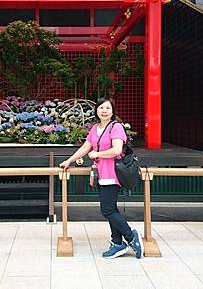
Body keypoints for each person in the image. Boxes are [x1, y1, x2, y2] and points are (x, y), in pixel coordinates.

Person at [59, 98, 143, 259]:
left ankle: (131, 236)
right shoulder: (95, 128)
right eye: (101, 108)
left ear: (113, 111)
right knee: (112, 209)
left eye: (108, 108)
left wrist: (97, 154)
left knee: (107, 210)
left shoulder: (116, 127)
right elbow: (85, 147)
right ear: (96, 110)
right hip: (100, 174)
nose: (104, 110)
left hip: (112, 174)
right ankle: (117, 243)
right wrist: (69, 161)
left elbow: (117, 149)